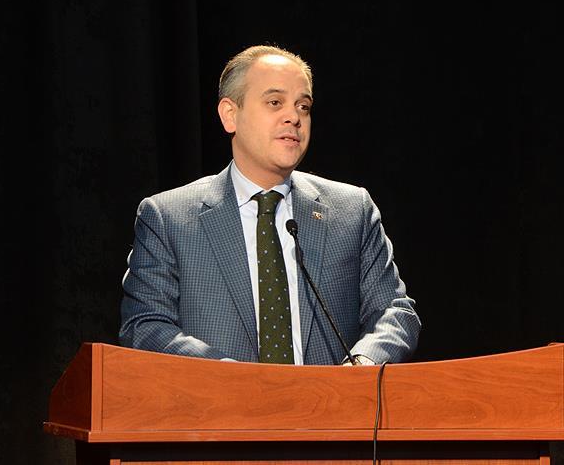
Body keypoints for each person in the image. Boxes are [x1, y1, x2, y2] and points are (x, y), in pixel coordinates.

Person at [119, 44, 420, 365]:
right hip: (220, 395)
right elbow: (145, 325)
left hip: (331, 396)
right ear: (230, 114)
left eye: (303, 106)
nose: (294, 117)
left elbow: (394, 312)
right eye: (275, 102)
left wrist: (362, 365)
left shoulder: (352, 211)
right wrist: (229, 379)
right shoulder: (168, 218)